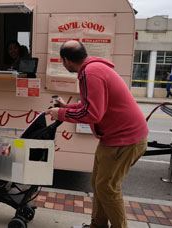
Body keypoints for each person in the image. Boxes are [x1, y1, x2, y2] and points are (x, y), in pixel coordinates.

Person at [45, 40, 148, 228]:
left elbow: (92, 114)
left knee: (107, 188)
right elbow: (90, 106)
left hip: (125, 139)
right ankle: (98, 225)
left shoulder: (92, 73)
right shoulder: (92, 69)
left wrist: (60, 113)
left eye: (62, 61)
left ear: (66, 60)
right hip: (113, 138)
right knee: (98, 183)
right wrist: (67, 107)